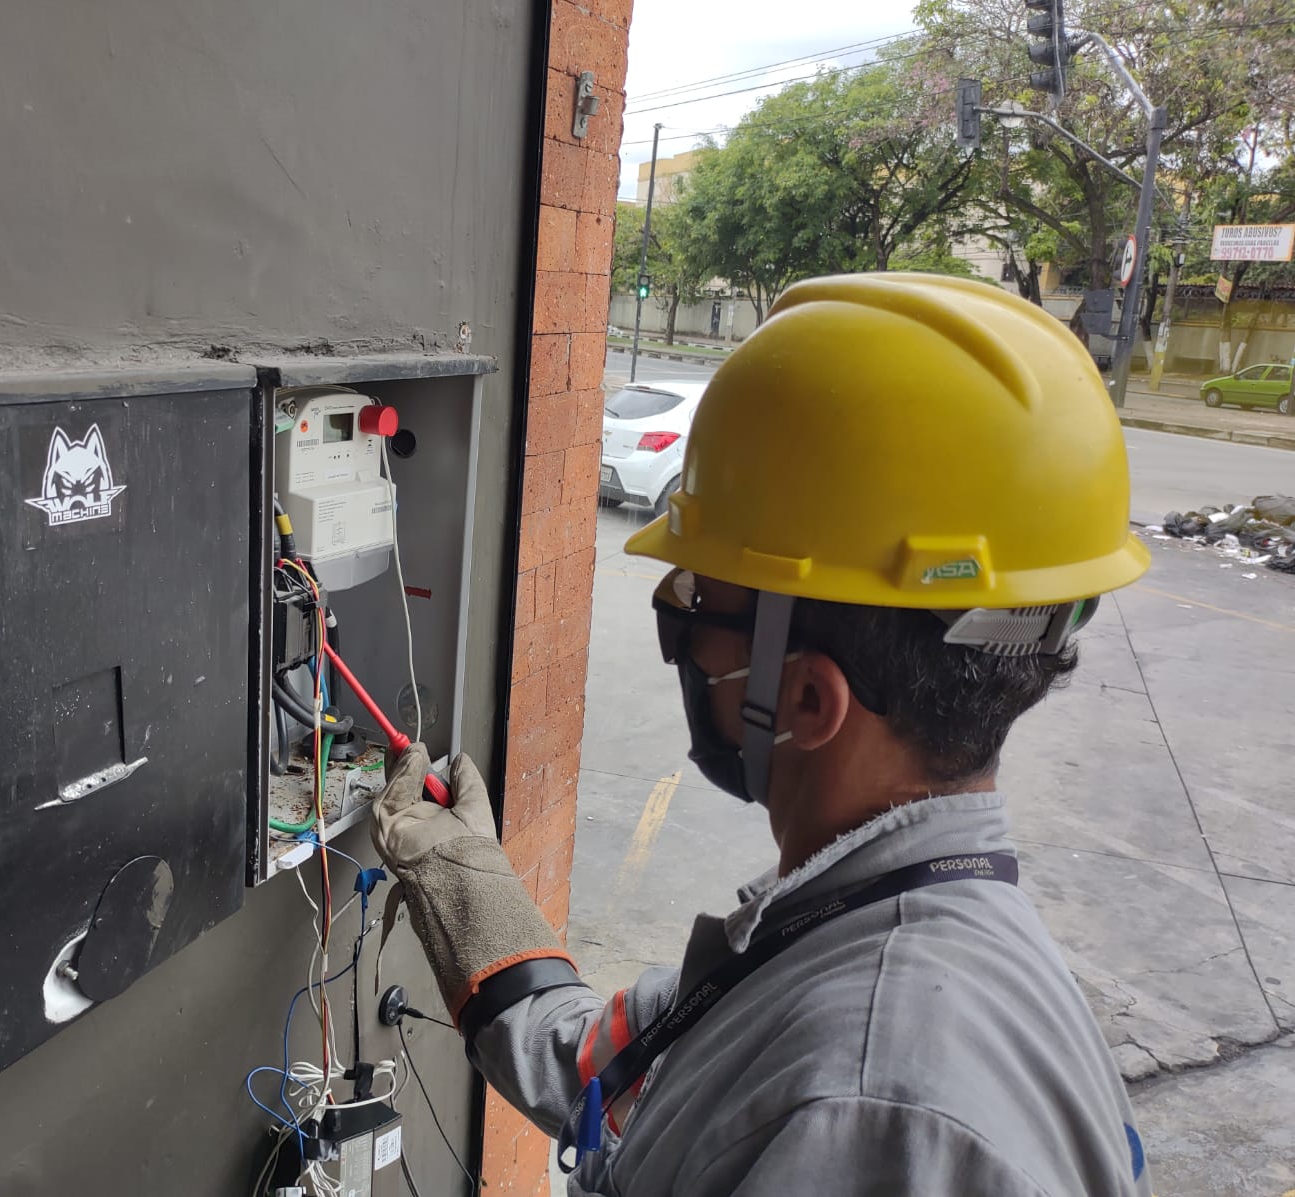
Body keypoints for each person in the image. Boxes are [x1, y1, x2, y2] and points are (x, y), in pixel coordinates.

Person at [372, 273, 1153, 1196]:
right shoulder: (857, 930)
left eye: (698, 602)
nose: (682, 637)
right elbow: (607, 1067)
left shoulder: (872, 1109)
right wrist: (463, 880)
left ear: (809, 698)